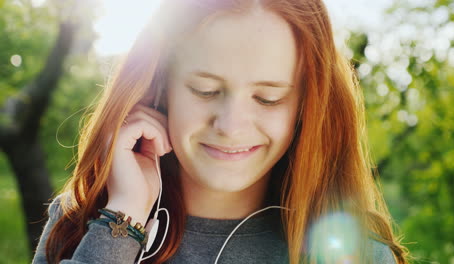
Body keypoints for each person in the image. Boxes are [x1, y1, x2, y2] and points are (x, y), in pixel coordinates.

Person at [32, 0, 409, 263]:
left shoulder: (359, 254)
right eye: (205, 90)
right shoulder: (81, 223)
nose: (230, 126)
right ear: (161, 86)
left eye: (268, 98)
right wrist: (123, 220)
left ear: (306, 106)